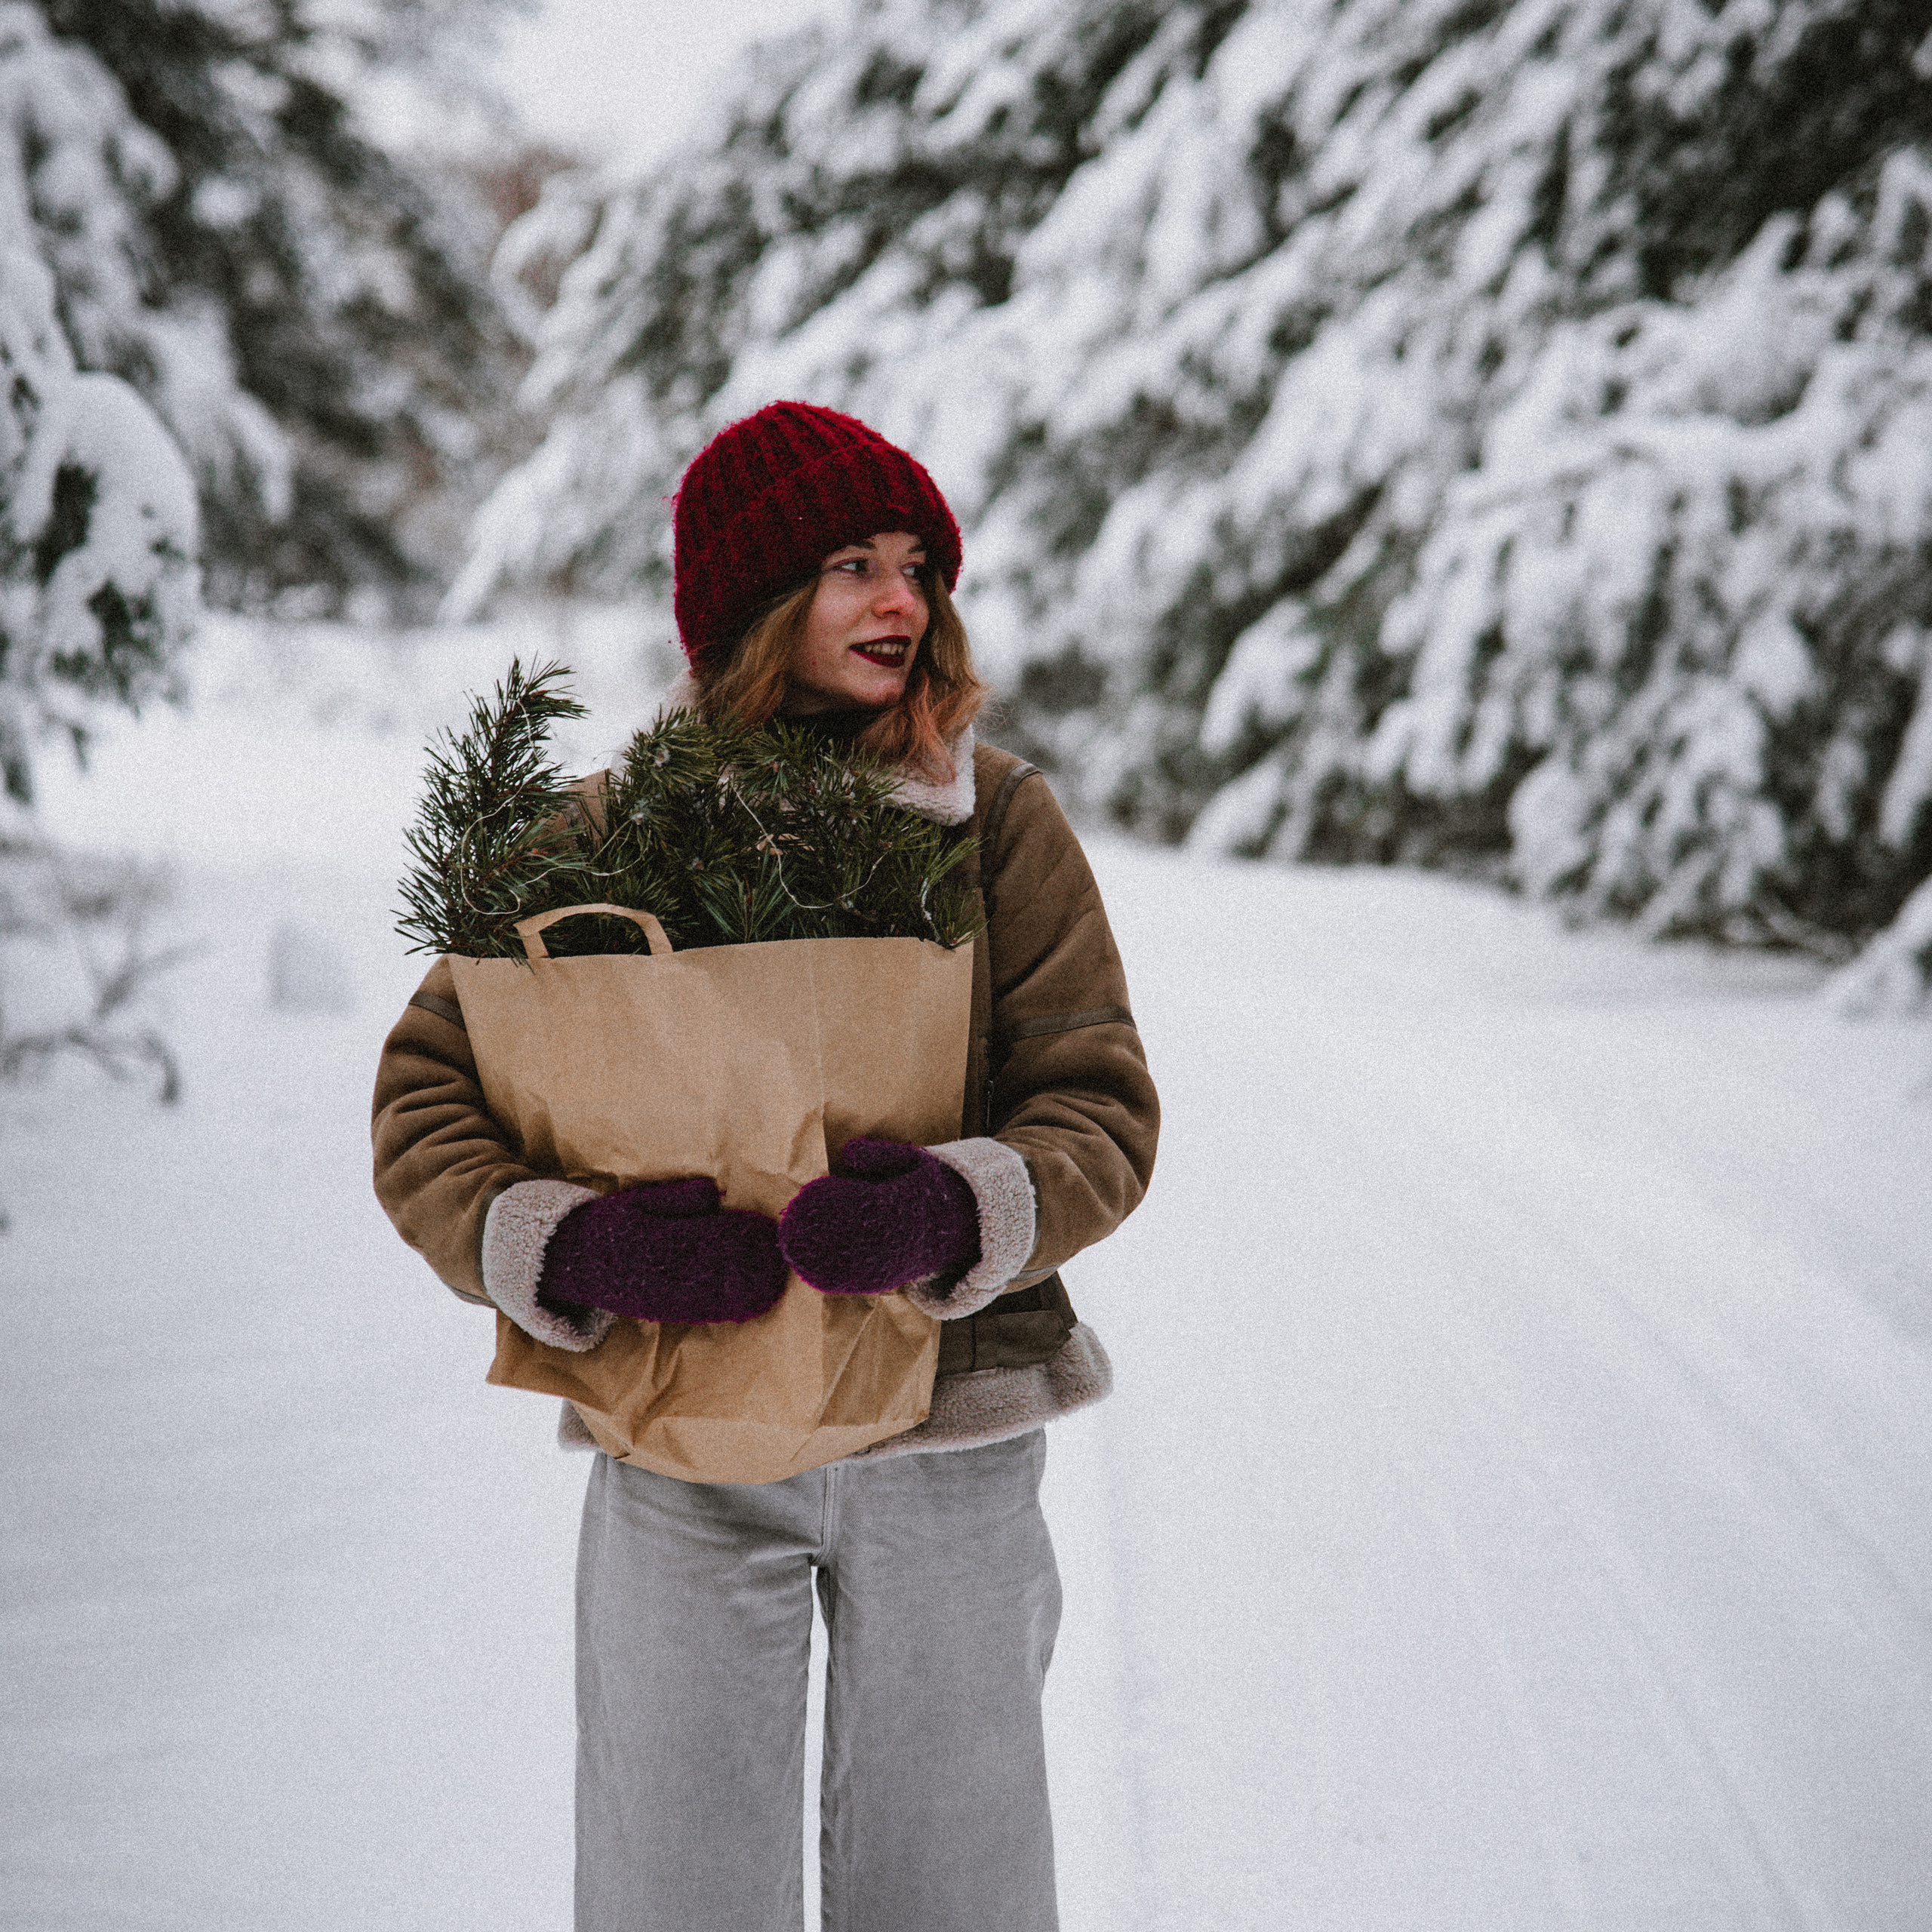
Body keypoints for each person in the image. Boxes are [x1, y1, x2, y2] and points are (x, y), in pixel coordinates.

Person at [371, 401, 1159, 1932]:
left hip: (948, 1431)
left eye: (916, 563)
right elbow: (423, 1097)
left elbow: (1099, 1105)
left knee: (957, 1889)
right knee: (675, 1881)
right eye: (850, 563)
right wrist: (571, 1247)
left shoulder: (994, 825)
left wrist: (956, 1203)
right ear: (747, 605)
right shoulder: (607, 836)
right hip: (685, 1435)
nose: (898, 600)